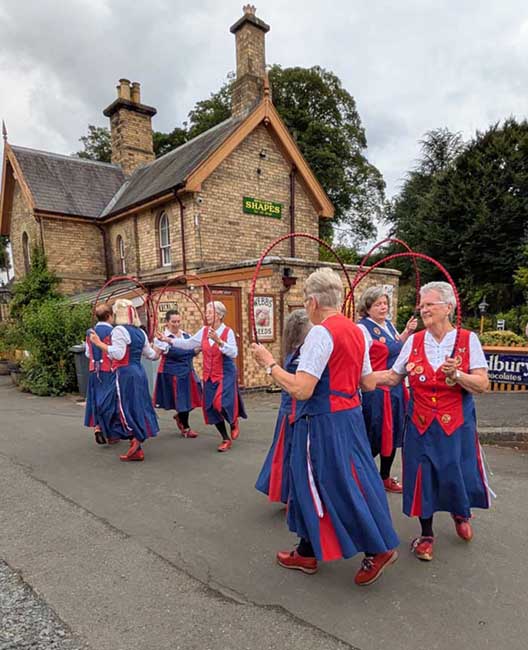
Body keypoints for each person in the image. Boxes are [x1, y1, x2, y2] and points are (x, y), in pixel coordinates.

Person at [251, 268, 399, 587]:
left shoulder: (321, 333)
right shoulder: (358, 331)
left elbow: (302, 388)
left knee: (334, 484)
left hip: (321, 421)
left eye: (306, 300)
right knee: (342, 479)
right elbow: (367, 381)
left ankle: (377, 547)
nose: (306, 306)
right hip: (349, 417)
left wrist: (268, 363)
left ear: (314, 301)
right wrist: (395, 374)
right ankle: (307, 550)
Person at [373, 281, 491, 562]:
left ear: (447, 308)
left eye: (429, 304)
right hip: (421, 422)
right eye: (422, 305)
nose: (423, 309)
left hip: (456, 423)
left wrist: (459, 374)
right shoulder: (414, 341)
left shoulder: (467, 339)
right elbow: (392, 376)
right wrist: (360, 378)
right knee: (422, 476)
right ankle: (426, 534)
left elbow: (483, 383)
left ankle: (460, 514)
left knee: (455, 470)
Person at [158, 301, 246, 452]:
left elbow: (234, 353)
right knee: (211, 407)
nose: (207, 314)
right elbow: (189, 343)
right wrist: (169, 340)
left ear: (219, 315)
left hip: (225, 373)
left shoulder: (227, 332)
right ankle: (225, 438)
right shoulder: (204, 330)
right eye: (206, 312)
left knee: (221, 403)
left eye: (210, 312)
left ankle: (233, 421)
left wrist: (219, 342)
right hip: (209, 375)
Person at [357, 287, 417, 492]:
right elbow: (362, 359)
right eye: (378, 304)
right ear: (367, 307)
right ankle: (359, 475)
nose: (383, 307)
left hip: (397, 389)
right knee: (374, 434)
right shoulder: (362, 329)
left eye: (385, 304)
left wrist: (407, 332)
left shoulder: (389, 325)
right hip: (377, 391)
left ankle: (384, 476)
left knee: (392, 436)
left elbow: (394, 346)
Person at [89, 299, 160, 462]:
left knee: (126, 407)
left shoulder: (119, 330)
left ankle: (136, 440)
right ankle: (136, 444)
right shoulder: (140, 332)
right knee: (139, 405)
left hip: (125, 373)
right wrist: (161, 346)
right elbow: (152, 355)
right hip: (139, 372)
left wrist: (99, 344)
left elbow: (119, 354)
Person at [255, 309, 311, 504]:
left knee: (286, 453)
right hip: (294, 410)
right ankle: (292, 494)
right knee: (293, 454)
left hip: (288, 408)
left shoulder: (292, 350)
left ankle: (287, 492)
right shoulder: (299, 354)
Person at [153, 310, 202, 439]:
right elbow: (173, 353)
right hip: (172, 373)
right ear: (167, 322)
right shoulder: (162, 337)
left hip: (188, 371)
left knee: (196, 397)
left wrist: (200, 348)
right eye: (173, 321)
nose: (176, 324)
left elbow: (195, 350)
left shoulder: (186, 336)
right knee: (182, 400)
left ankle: (180, 416)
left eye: (178, 321)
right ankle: (186, 427)